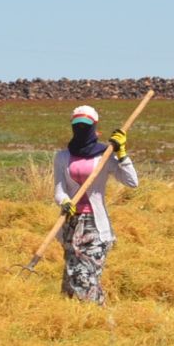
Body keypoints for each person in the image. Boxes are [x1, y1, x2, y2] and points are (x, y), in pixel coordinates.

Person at [53, 105, 136, 304]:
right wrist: (64, 201)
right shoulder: (62, 157)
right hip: (71, 223)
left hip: (95, 225)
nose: (81, 129)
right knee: (71, 279)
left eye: (85, 126)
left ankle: (97, 315)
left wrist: (122, 154)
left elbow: (132, 181)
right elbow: (59, 190)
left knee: (85, 275)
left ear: (94, 126)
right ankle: (76, 316)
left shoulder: (104, 156)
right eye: (77, 125)